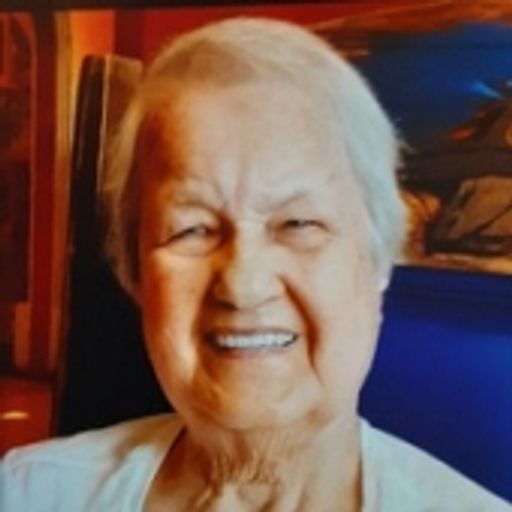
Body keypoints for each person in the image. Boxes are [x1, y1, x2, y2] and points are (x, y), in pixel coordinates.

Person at [1, 17, 510, 512]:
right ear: (136, 274)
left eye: (298, 224)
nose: (242, 285)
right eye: (192, 229)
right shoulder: (25, 494)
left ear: (378, 259)